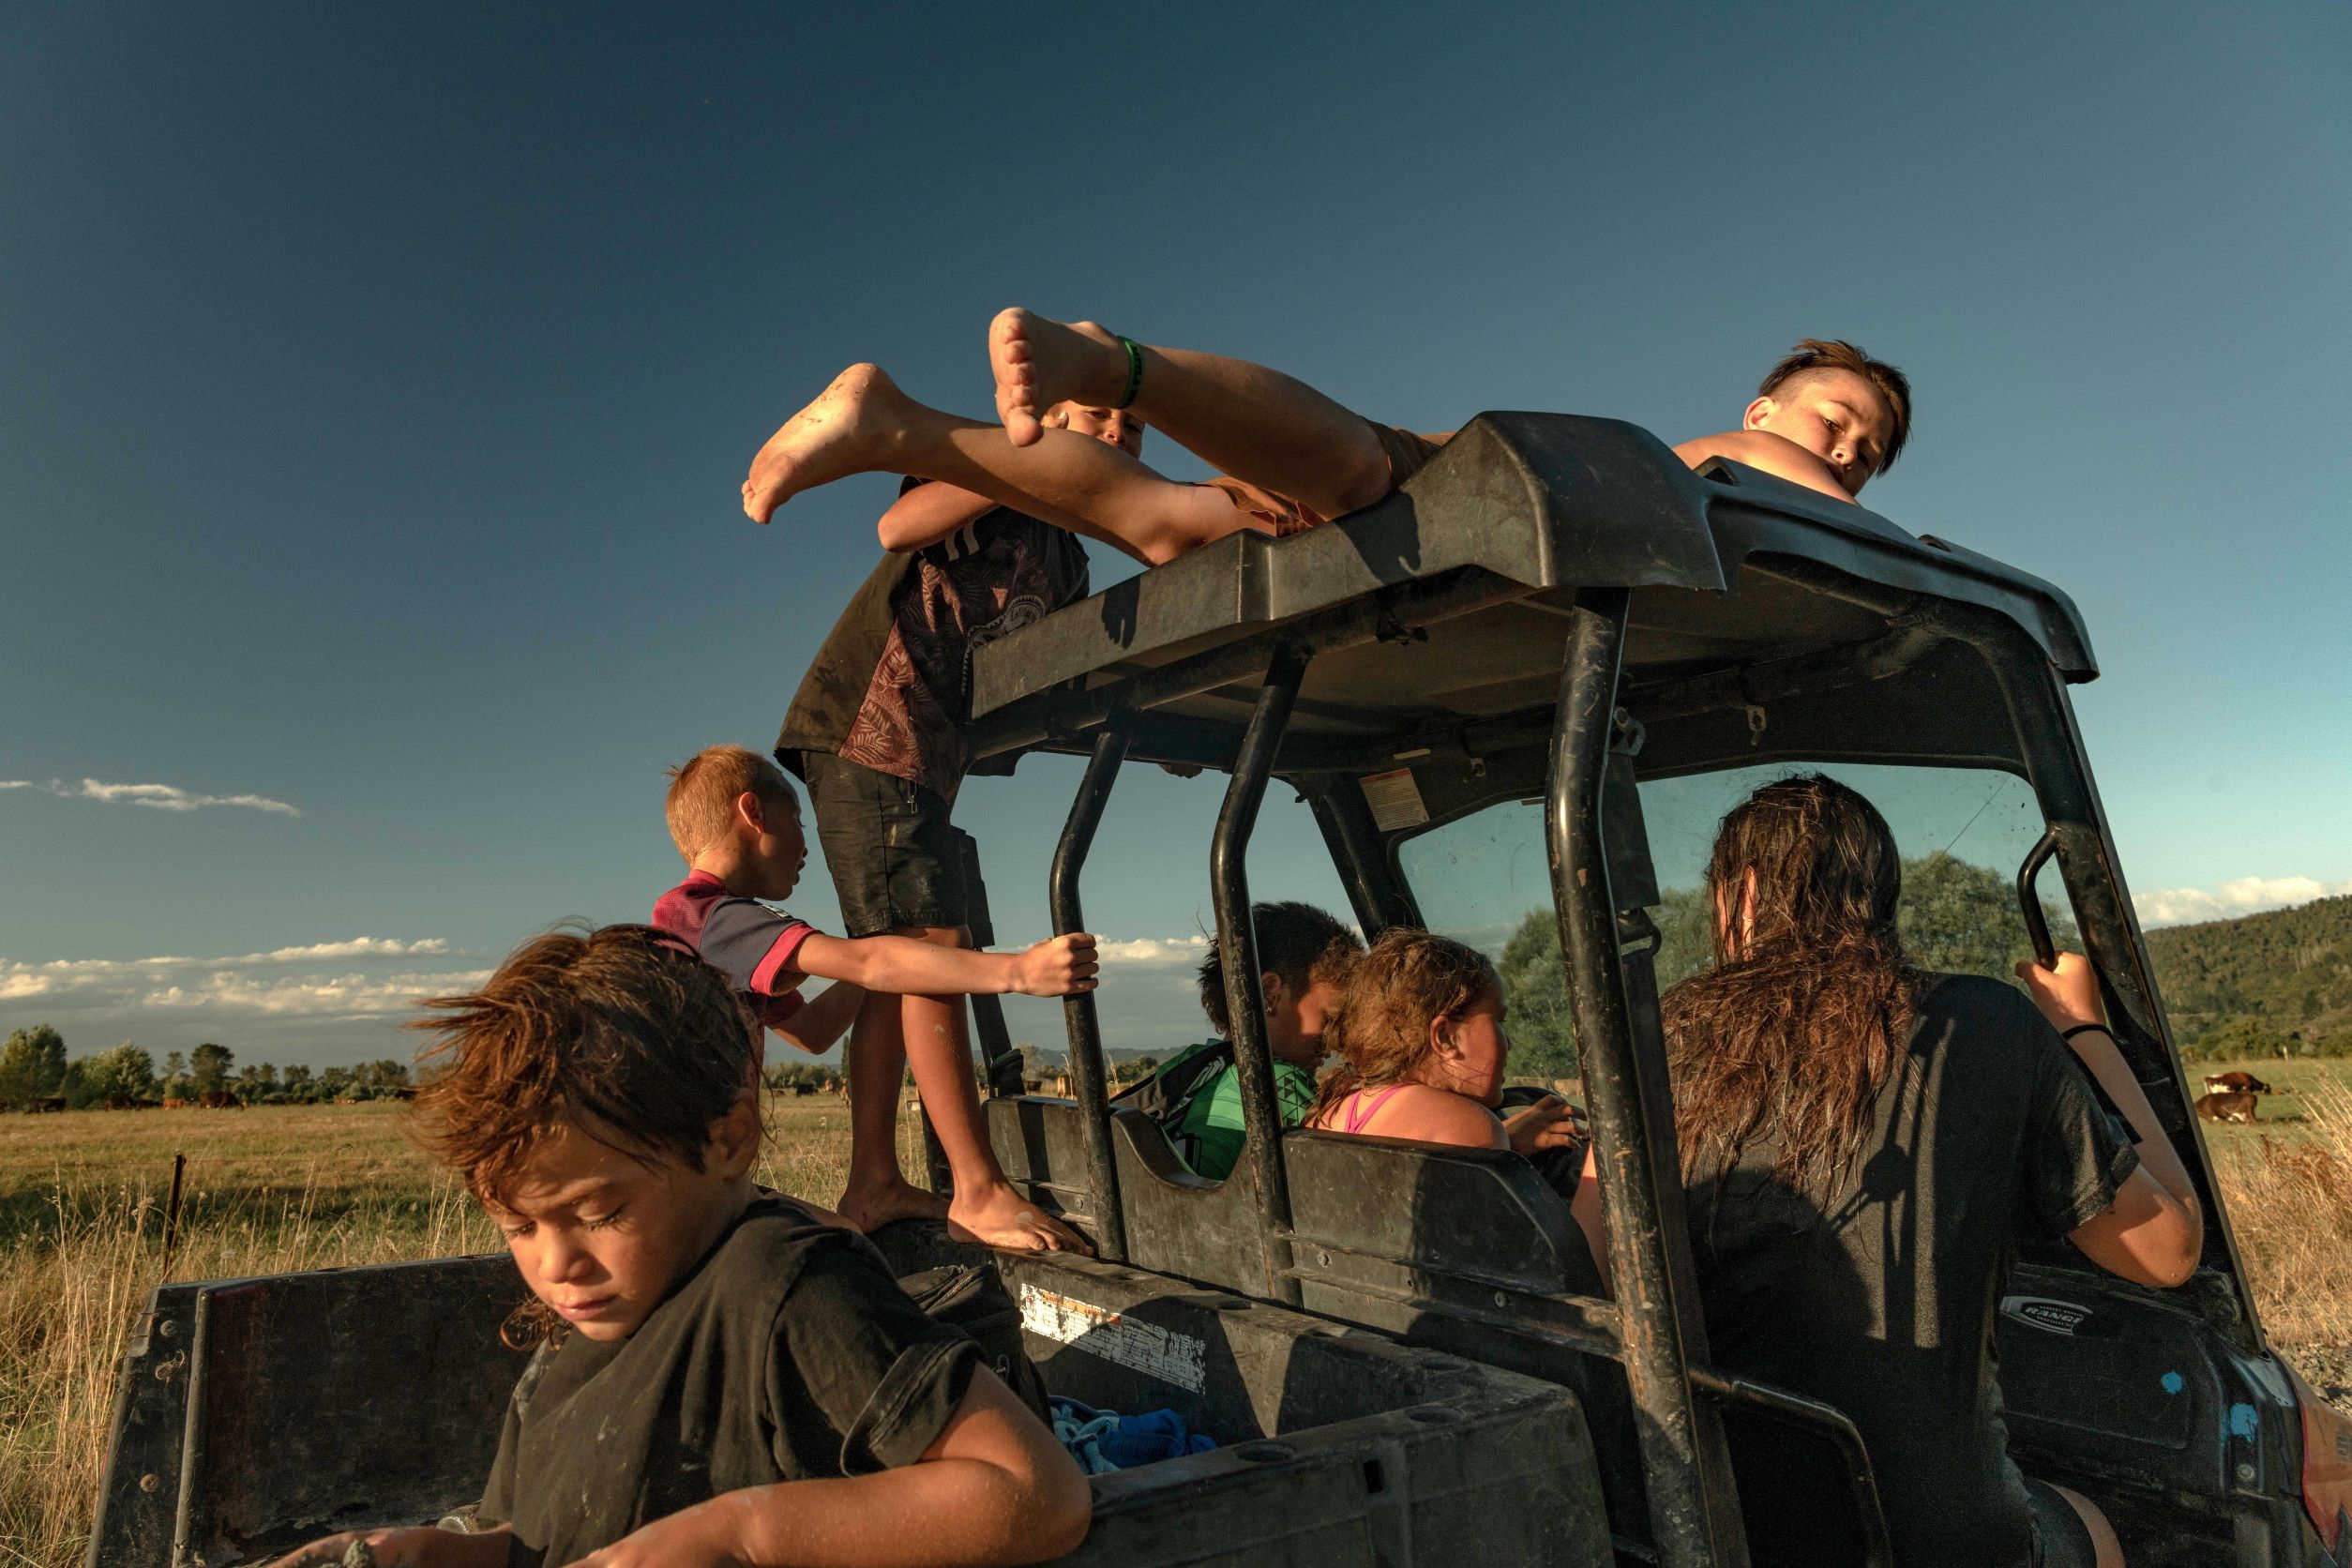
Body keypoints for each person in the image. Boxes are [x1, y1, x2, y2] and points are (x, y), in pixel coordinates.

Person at [265, 926, 1093, 1568]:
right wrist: (456, 1554)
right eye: (519, 1227)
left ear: (729, 1139)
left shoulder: (787, 1288)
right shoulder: (580, 1341)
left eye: (598, 1212)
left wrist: (743, 1537)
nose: (556, 1265)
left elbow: (1040, 1493)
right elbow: (559, 1533)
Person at [1661, 776, 2202, 1568]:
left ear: (1739, 898)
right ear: (1876, 895)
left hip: (1714, 1522)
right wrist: (2086, 1032)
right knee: (2088, 1523)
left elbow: (1595, 1264)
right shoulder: (1985, 1022)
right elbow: (2170, 1252)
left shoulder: (1666, 1031)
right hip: (1927, 1538)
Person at [741, 324, 1908, 566]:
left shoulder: (1767, 463)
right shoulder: (1774, 468)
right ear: (1765, 414)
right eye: (1835, 420)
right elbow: (1857, 538)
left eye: (1870, 447)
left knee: (1159, 523)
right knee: (1363, 460)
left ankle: (901, 423)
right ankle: (1112, 362)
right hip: (1491, 487)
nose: (1846, 450)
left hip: (1466, 517)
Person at [659, 746, 1097, 1253]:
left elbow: (812, 1031)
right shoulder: (713, 917)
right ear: (752, 813)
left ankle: (879, 1188)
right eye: (799, 819)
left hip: (705, 1185)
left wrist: (901, 954)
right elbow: (866, 964)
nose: (807, 846)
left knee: (851, 1239)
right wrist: (1018, 971)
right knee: (848, 1259)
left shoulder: (704, 933)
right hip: (688, 1194)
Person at [1304, 928, 1607, 1287]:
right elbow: (1574, 1290)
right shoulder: (1470, 1128)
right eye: (1499, 1021)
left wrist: (1511, 1143)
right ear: (1445, 1037)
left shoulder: (1333, 1110)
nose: (1508, 1042)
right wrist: (1605, 1158)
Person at [1112, 901, 1364, 1181]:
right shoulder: (1277, 1081)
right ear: (1269, 993)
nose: (1333, 1041)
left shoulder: (1194, 1064)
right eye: (1329, 1018)